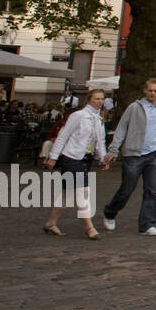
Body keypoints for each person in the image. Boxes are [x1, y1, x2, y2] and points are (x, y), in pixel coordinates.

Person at [102, 78, 156, 236]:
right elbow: (121, 129)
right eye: (150, 90)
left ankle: (147, 224)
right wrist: (113, 151)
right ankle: (110, 212)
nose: (153, 93)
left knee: (151, 191)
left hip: (153, 154)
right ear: (145, 91)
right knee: (127, 189)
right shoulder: (134, 107)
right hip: (134, 154)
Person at [43, 89, 111, 239]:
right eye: (96, 99)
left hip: (85, 159)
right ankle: (89, 227)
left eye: (101, 99)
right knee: (83, 191)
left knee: (67, 194)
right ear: (88, 100)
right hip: (72, 158)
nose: (99, 101)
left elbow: (100, 142)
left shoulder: (98, 119)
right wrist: (53, 156)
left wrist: (102, 158)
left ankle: (51, 222)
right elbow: (63, 136)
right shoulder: (78, 116)